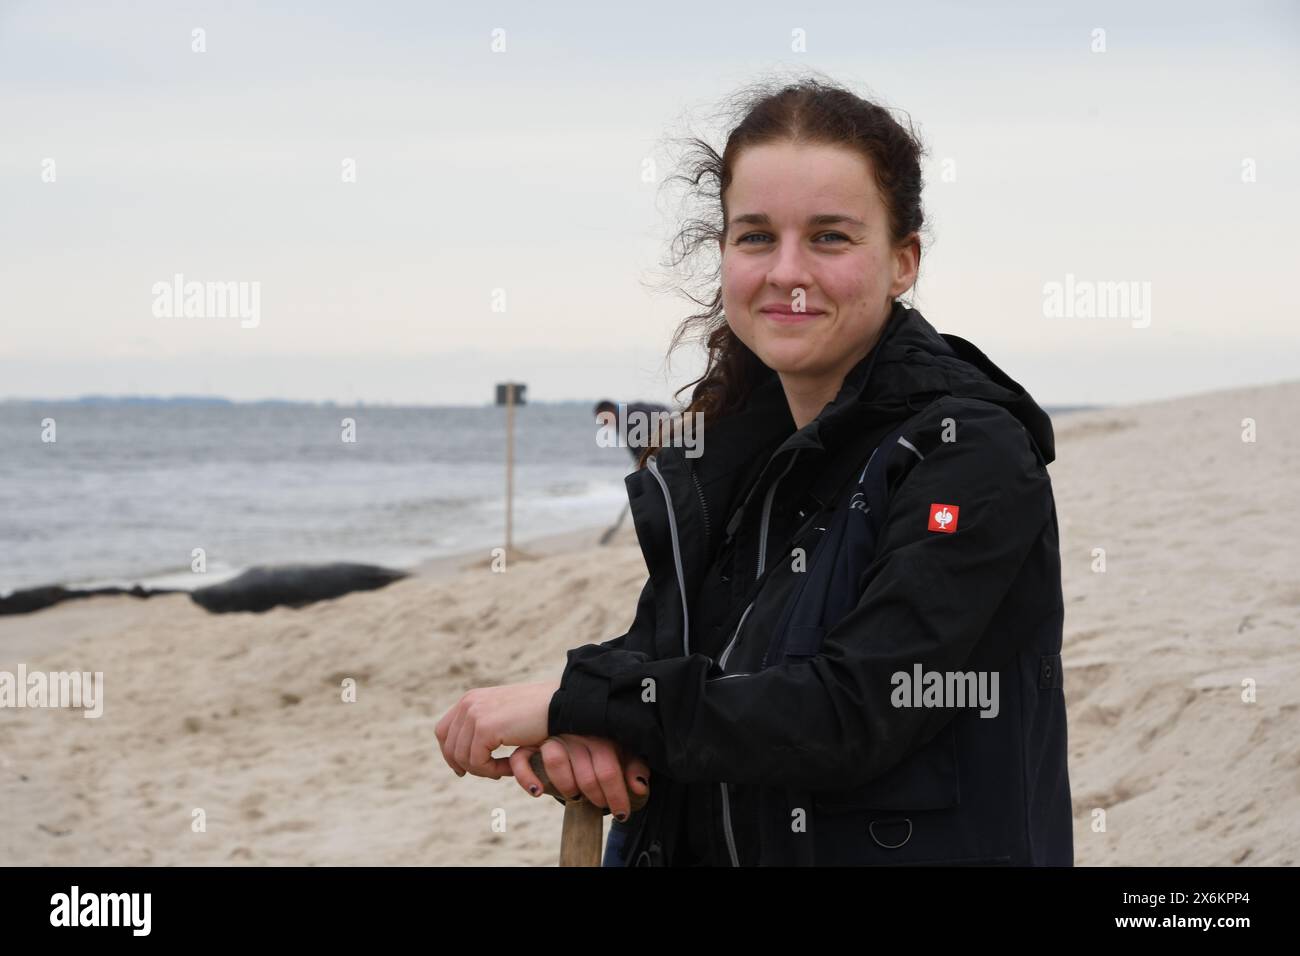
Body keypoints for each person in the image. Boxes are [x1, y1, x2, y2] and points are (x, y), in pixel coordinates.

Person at [435, 76, 1073, 866]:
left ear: (903, 261)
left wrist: (583, 701)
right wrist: (588, 729)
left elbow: (852, 711)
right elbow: (678, 670)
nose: (788, 272)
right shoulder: (732, 456)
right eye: (758, 236)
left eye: (831, 238)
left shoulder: (966, 452)